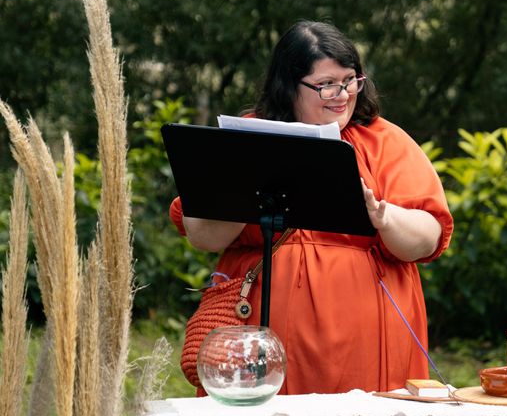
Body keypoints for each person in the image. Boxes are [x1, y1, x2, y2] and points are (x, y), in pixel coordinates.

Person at [169, 20, 453, 396]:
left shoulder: (386, 140)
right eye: (326, 84)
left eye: (350, 80)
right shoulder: (248, 134)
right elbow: (203, 235)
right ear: (289, 86)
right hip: (262, 338)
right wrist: (243, 182)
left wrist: (385, 217)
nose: (342, 94)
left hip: (366, 345)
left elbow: (428, 237)